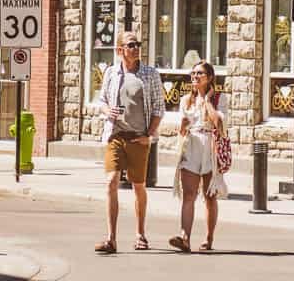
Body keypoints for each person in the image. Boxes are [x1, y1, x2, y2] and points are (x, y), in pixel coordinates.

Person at [94, 30, 164, 254]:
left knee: (138, 186)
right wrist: (108, 111)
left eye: (138, 44)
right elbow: (102, 99)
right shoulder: (112, 73)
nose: (136, 48)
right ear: (120, 50)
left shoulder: (149, 74)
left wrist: (149, 135)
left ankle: (140, 234)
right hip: (116, 134)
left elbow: (158, 107)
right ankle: (111, 238)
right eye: (131, 45)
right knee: (111, 182)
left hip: (138, 137)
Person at [169, 60, 228, 252]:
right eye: (193, 73)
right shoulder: (186, 100)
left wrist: (207, 101)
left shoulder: (220, 98)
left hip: (210, 147)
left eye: (200, 73)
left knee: (209, 196)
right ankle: (184, 237)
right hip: (192, 145)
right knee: (189, 195)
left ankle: (208, 238)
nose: (195, 77)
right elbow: (181, 131)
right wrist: (183, 126)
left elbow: (219, 123)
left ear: (210, 78)